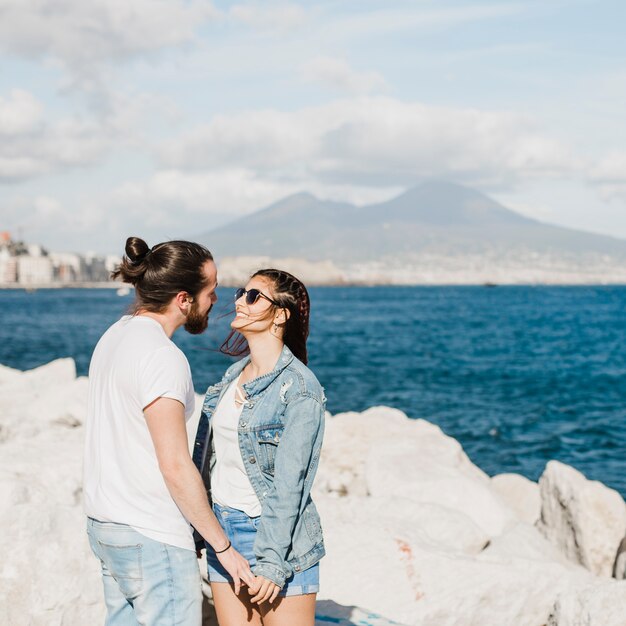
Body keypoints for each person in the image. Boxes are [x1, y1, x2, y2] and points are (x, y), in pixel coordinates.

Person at [83, 237, 254, 626]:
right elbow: (175, 465)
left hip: (106, 525)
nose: (216, 300)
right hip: (151, 533)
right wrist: (222, 545)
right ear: (183, 299)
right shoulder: (162, 357)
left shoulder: (115, 335)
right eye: (210, 291)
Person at [193, 269, 326, 626]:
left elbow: (290, 486)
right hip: (225, 536)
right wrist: (203, 532)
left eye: (253, 296)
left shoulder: (300, 389)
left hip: (275, 539)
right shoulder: (229, 379)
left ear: (280, 315)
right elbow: (208, 461)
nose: (239, 300)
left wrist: (270, 560)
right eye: (241, 292)